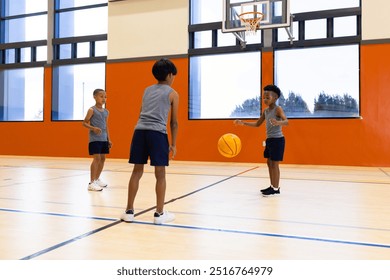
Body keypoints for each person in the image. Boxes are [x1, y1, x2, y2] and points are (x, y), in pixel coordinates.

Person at [121, 58, 179, 224]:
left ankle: (129, 211)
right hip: (157, 134)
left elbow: (141, 113)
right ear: (169, 75)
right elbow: (173, 122)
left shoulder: (146, 90)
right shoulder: (173, 93)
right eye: (173, 75)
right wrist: (173, 144)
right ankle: (159, 214)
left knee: (136, 171)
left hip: (139, 132)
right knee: (160, 174)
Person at [234, 85, 288, 196]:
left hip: (278, 140)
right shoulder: (266, 111)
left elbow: (286, 121)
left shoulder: (278, 109)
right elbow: (257, 124)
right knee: (269, 163)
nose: (265, 100)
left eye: (267, 97)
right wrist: (243, 123)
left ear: (275, 97)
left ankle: (276, 188)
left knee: (275, 164)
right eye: (263, 97)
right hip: (269, 140)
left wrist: (279, 123)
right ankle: (272, 185)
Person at [82, 89, 112, 192]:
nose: (103, 98)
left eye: (105, 97)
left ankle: (97, 179)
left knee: (103, 158)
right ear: (94, 97)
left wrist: (109, 139)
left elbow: (106, 125)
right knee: (97, 158)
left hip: (104, 138)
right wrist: (93, 128)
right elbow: (84, 123)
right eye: (101, 96)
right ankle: (91, 183)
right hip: (95, 139)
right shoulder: (92, 110)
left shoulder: (106, 112)